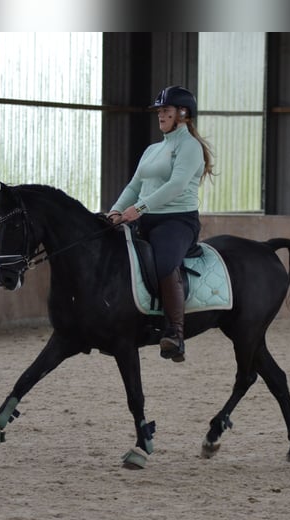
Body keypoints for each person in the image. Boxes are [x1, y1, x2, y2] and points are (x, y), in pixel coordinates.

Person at [108, 85, 215, 363]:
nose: (160, 115)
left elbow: (177, 185)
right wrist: (115, 211)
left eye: (165, 110)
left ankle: (174, 333)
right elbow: (135, 185)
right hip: (144, 216)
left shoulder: (190, 147)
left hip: (177, 220)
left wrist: (139, 208)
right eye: (159, 111)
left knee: (165, 262)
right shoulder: (153, 149)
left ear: (183, 113)